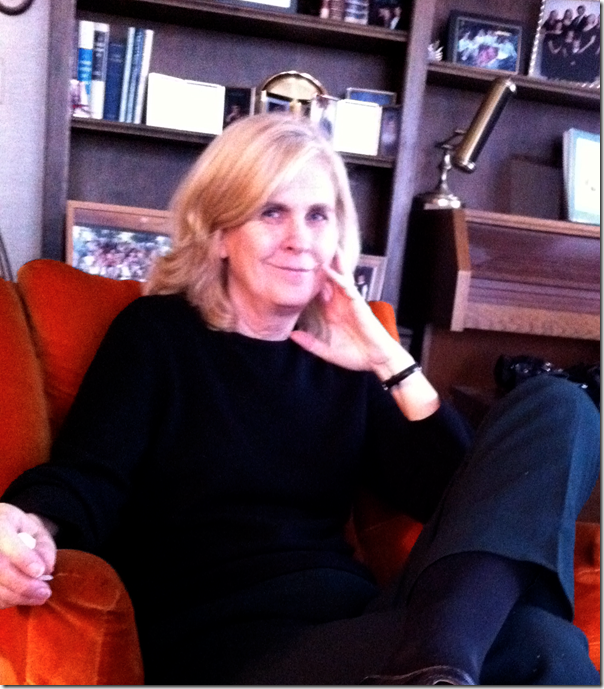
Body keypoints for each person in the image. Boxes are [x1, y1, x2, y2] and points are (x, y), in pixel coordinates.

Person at [0, 114, 599, 685]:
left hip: (363, 622)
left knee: (559, 403)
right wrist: (28, 524)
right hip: (227, 640)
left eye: (318, 215)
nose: (299, 239)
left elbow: (470, 509)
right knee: (543, 647)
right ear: (219, 235)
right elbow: (89, 476)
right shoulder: (158, 334)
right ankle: (434, 666)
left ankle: (435, 663)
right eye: (272, 212)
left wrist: (388, 360)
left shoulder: (347, 356)